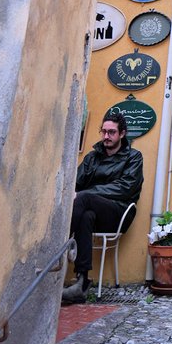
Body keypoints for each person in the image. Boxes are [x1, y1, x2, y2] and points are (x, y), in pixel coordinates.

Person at [62, 109, 144, 304]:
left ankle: (58, 248)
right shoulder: (93, 157)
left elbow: (126, 187)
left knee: (84, 199)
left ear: (122, 134)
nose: (106, 136)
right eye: (104, 131)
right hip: (91, 210)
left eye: (112, 132)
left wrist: (86, 194)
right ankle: (82, 282)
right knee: (86, 215)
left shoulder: (133, 157)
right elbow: (76, 182)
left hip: (118, 212)